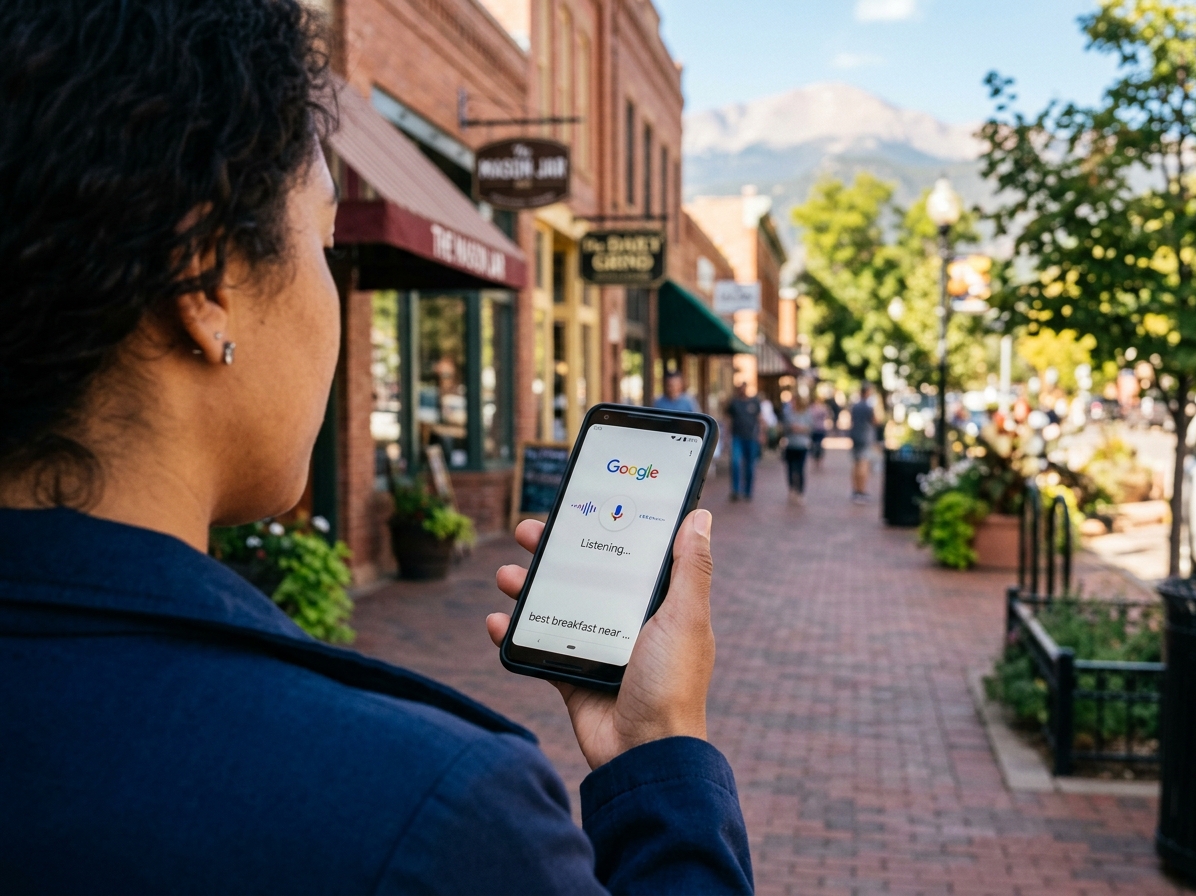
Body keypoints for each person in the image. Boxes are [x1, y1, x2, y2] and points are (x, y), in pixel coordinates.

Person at [0, 2, 753, 893]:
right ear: (205, 276)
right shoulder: (435, 814)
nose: (335, 307)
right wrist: (660, 755)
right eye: (323, 239)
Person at [725, 382, 763, 501]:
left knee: (750, 465)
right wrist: (726, 437)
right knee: (735, 463)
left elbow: (760, 419)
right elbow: (728, 420)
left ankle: (748, 491)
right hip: (737, 437)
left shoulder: (754, 402)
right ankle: (735, 490)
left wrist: (762, 433)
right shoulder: (734, 403)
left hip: (751, 437)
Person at [780, 394, 813, 505]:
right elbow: (785, 427)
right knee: (790, 468)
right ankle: (791, 489)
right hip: (790, 445)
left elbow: (810, 427)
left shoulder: (806, 413)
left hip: (802, 445)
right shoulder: (788, 414)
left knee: (800, 469)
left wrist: (800, 428)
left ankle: (800, 491)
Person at [850, 383, 877, 505]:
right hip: (865, 437)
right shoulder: (868, 407)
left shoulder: (855, 406)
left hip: (855, 436)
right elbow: (875, 421)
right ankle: (861, 491)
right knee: (863, 465)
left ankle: (856, 490)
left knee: (856, 464)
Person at [809, 394, 829, 471]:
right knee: (817, 446)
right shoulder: (822, 408)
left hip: (817, 429)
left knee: (816, 446)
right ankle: (817, 462)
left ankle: (817, 461)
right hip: (818, 429)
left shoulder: (811, 409)